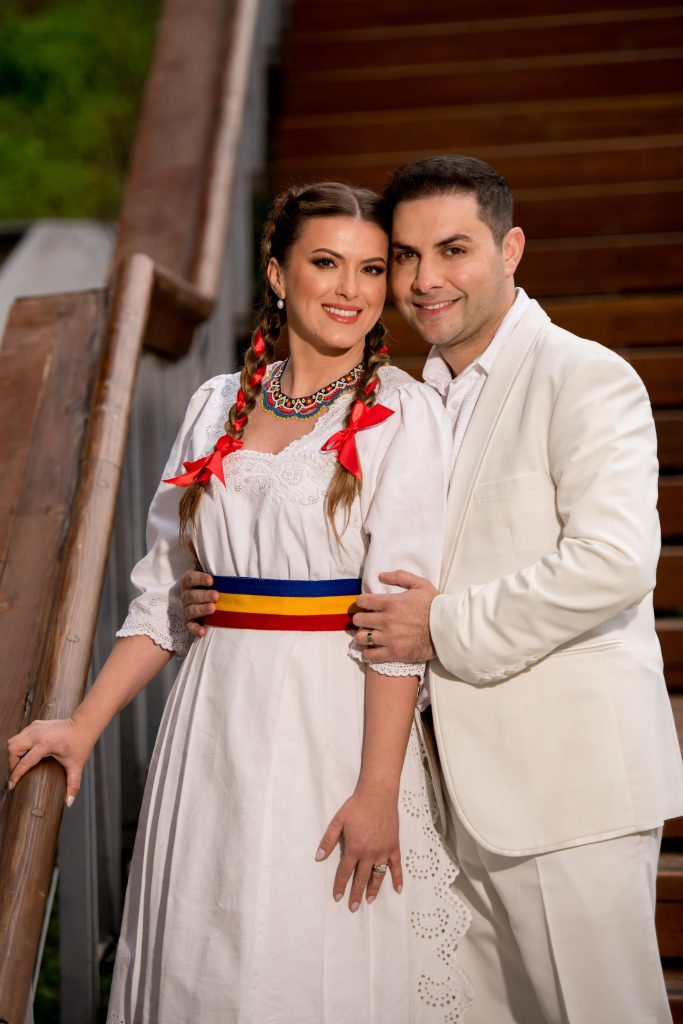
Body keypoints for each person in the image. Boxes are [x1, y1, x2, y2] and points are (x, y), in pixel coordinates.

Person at [182, 155, 683, 1024]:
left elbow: (612, 562)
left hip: (563, 791)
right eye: (405, 257)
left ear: (510, 249)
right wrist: (218, 591)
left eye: (453, 250)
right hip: (443, 800)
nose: (424, 280)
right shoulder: (412, 398)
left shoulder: (582, 376)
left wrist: (439, 626)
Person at [7, 182, 474, 1023]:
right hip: (212, 719)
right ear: (278, 275)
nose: (351, 289)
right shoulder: (214, 404)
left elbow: (397, 623)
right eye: (325, 263)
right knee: (205, 945)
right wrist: (82, 726)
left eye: (372, 269)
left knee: (311, 948)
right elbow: (163, 591)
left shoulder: (402, 413)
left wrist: (377, 790)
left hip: (332, 722)